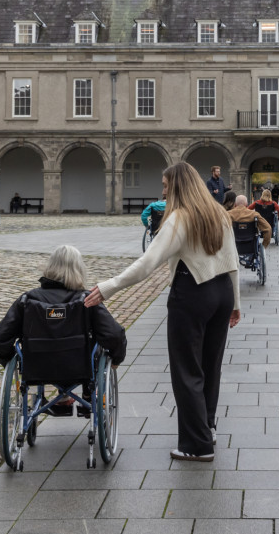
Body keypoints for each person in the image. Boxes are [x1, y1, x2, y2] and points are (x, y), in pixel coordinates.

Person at [85, 162, 240, 463]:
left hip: (192, 293)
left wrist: (109, 287)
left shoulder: (180, 218)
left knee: (187, 370)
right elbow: (232, 259)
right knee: (211, 366)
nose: (163, 190)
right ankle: (207, 427)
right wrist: (235, 303)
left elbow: (147, 263)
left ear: (179, 186)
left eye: (166, 184)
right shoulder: (219, 212)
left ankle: (196, 445)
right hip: (221, 293)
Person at [0, 245, 127, 418]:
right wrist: (116, 359)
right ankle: (86, 395)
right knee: (93, 346)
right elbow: (114, 335)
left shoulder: (28, 300)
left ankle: (62, 398)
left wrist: (9, 358)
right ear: (79, 270)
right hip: (80, 367)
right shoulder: (87, 300)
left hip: (36, 367)